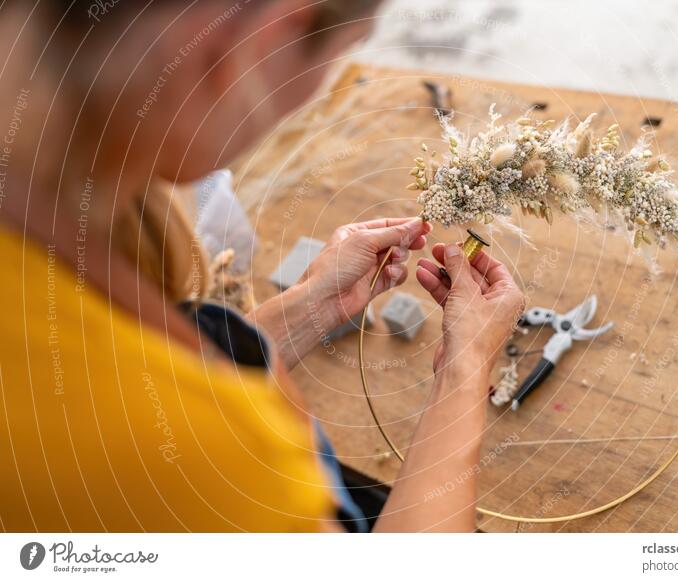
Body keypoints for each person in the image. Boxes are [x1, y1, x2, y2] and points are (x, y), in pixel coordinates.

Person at [0, 0, 523, 532]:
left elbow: (177, 370)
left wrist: (310, 307)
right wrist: (464, 366)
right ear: (274, 34)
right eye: (342, 53)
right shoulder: (203, 453)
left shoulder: (53, 251)